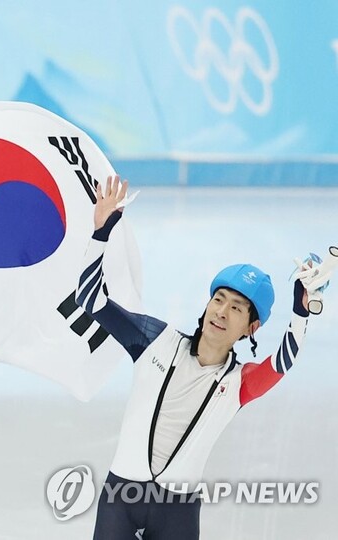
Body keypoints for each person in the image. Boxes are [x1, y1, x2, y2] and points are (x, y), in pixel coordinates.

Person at [75, 175, 332, 539]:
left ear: (251, 328)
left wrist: (301, 310)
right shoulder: (155, 340)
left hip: (177, 514)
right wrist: (101, 232)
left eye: (236, 307)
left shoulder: (239, 384)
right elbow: (90, 300)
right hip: (121, 502)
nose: (222, 312)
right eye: (219, 299)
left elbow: (283, 361)